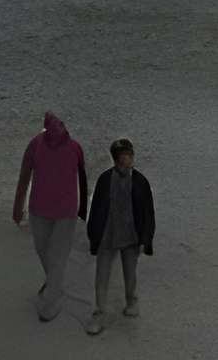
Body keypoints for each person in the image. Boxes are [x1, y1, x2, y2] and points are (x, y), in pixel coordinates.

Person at [10, 109, 90, 325]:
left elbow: (81, 178)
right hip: (46, 211)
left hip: (60, 212)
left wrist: (83, 209)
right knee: (49, 254)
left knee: (54, 255)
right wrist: (17, 207)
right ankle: (54, 285)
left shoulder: (70, 148)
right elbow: (25, 176)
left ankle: (50, 305)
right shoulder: (39, 145)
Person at [81, 137, 154, 336]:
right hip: (107, 236)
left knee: (130, 274)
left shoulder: (140, 181)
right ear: (116, 159)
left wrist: (145, 238)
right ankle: (99, 313)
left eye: (130, 155)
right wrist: (93, 233)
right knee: (102, 276)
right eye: (124, 156)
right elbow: (96, 208)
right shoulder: (105, 180)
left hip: (131, 236)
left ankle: (132, 302)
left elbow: (147, 211)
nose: (128, 159)